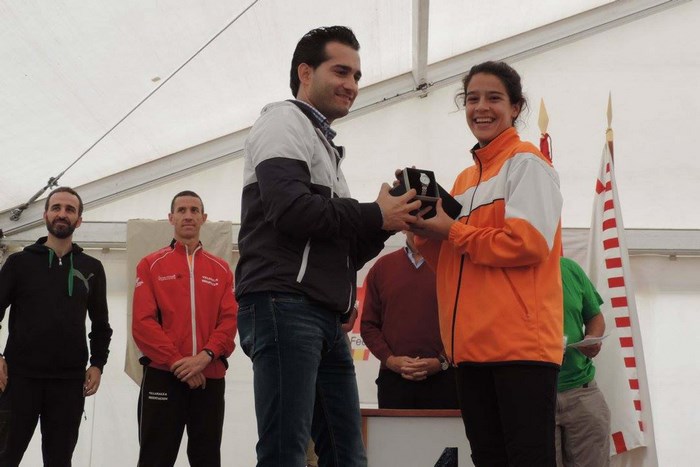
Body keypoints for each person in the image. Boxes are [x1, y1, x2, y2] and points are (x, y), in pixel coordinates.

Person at [235, 26, 419, 467]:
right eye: (340, 71)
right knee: (286, 451)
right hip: (284, 306)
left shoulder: (324, 145)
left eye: (357, 75)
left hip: (322, 317)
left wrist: (390, 219)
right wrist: (373, 214)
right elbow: (291, 211)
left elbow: (336, 251)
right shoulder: (282, 120)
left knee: (346, 453)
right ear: (304, 72)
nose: (352, 85)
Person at [412, 61, 564, 466]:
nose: (481, 107)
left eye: (494, 98)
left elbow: (527, 244)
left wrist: (454, 232)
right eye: (472, 98)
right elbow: (454, 261)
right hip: (470, 352)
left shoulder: (527, 162)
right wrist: (423, 231)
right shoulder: (464, 180)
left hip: (520, 349)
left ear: (516, 107)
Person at [0, 186, 113, 467]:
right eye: (57, 208)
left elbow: (101, 325)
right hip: (18, 381)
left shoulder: (92, 267)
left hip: (68, 385)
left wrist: (98, 364)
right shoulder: (18, 263)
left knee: (59, 461)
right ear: (45, 215)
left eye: (70, 209)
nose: (62, 214)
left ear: (79, 220)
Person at [132, 190, 237, 467]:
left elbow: (229, 322)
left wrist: (204, 358)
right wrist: (179, 363)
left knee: (206, 459)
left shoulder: (222, 269)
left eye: (194, 210)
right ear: (171, 218)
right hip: (164, 376)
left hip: (209, 377)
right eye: (181, 210)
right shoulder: (150, 265)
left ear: (204, 218)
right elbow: (142, 324)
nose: (188, 216)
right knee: (155, 458)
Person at [361, 231, 458, 409]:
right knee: (394, 437)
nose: (420, 226)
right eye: (414, 220)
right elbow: (368, 325)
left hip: (445, 379)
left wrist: (442, 361)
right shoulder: (382, 267)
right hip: (393, 380)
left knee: (446, 438)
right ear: (403, 227)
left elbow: (463, 321)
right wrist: (390, 360)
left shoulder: (453, 264)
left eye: (425, 220)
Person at [556, 257, 610, 467]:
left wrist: (592, 337)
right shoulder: (508, 271)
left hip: (583, 391)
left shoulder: (569, 268)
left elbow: (595, 316)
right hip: (534, 395)